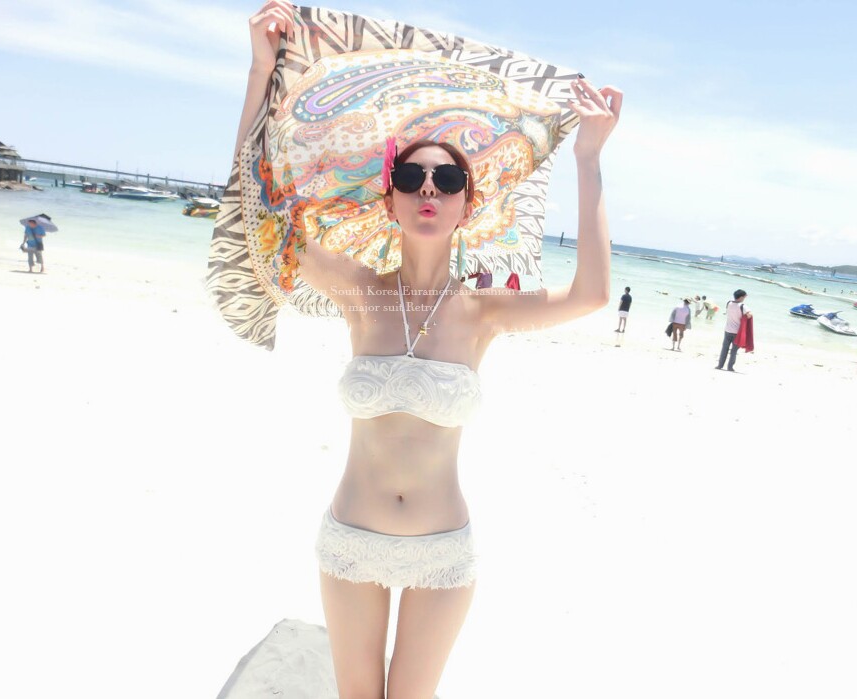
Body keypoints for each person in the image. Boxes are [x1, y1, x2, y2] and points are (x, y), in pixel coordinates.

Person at [235, 4, 622, 697]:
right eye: (412, 179)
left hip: (442, 552)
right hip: (351, 540)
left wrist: (588, 159)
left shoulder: (483, 312)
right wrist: (261, 71)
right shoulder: (359, 292)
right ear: (390, 201)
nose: (428, 191)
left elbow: (592, 292)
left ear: (467, 206)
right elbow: (260, 213)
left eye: (447, 182)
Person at [716, 289, 751, 371]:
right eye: (744, 297)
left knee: (724, 349)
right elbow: (749, 315)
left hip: (727, 330)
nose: (744, 298)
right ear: (741, 297)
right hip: (737, 332)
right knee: (734, 351)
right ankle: (730, 367)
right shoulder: (743, 306)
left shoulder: (729, 303)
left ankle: (720, 365)